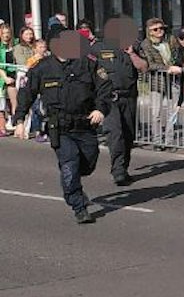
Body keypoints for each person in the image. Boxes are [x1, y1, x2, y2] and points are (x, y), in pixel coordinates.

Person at [14, 27, 115, 224]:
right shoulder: (41, 68)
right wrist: (19, 120)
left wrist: (101, 109)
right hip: (60, 127)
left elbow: (104, 88)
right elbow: (26, 94)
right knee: (70, 164)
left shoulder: (86, 64)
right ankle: (79, 206)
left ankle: (75, 183)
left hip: (85, 125)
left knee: (87, 164)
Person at [90, 16, 145, 185]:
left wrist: (132, 53)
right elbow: (88, 71)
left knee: (128, 135)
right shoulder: (98, 48)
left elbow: (144, 67)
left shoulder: (133, 46)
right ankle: (118, 171)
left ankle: (124, 167)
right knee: (116, 134)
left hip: (128, 97)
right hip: (108, 98)